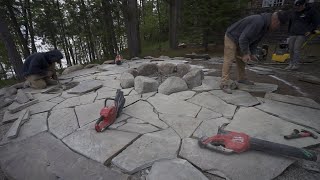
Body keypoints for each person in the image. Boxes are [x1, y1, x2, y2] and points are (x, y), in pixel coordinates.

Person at [220, 11, 287, 94]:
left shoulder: (265, 26)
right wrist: (245, 53)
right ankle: (224, 83)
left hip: (240, 39)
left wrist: (251, 53)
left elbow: (255, 41)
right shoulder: (259, 22)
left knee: (241, 60)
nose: (277, 28)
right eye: (278, 25)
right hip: (232, 37)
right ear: (275, 21)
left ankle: (242, 78)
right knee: (229, 59)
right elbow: (243, 38)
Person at [285, 0, 320, 70]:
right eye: (296, 6)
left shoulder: (310, 11)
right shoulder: (295, 12)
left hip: (302, 34)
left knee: (296, 49)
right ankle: (291, 63)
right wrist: (289, 31)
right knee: (290, 49)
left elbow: (316, 22)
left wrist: (310, 30)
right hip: (293, 33)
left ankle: (296, 64)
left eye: (299, 6)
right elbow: (291, 22)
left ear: (303, 5)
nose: (298, 8)